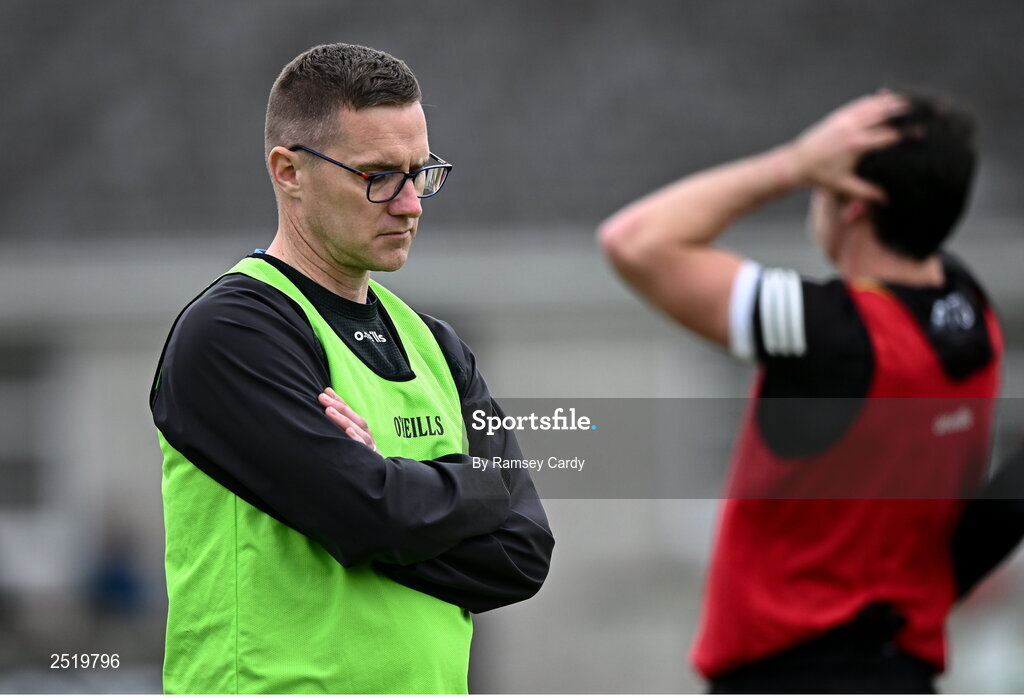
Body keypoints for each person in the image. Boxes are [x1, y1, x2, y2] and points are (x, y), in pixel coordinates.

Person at [150, 43, 553, 694]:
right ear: (289, 171)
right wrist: (473, 487)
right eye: (377, 176)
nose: (410, 205)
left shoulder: (436, 344)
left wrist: (386, 494)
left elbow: (522, 556)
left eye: (421, 173)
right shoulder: (232, 334)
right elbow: (369, 515)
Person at [599, 91, 1003, 692]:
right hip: (905, 671)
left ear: (855, 207)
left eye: (824, 180)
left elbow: (634, 240)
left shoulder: (836, 336)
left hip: (795, 674)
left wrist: (790, 163)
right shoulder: (972, 312)